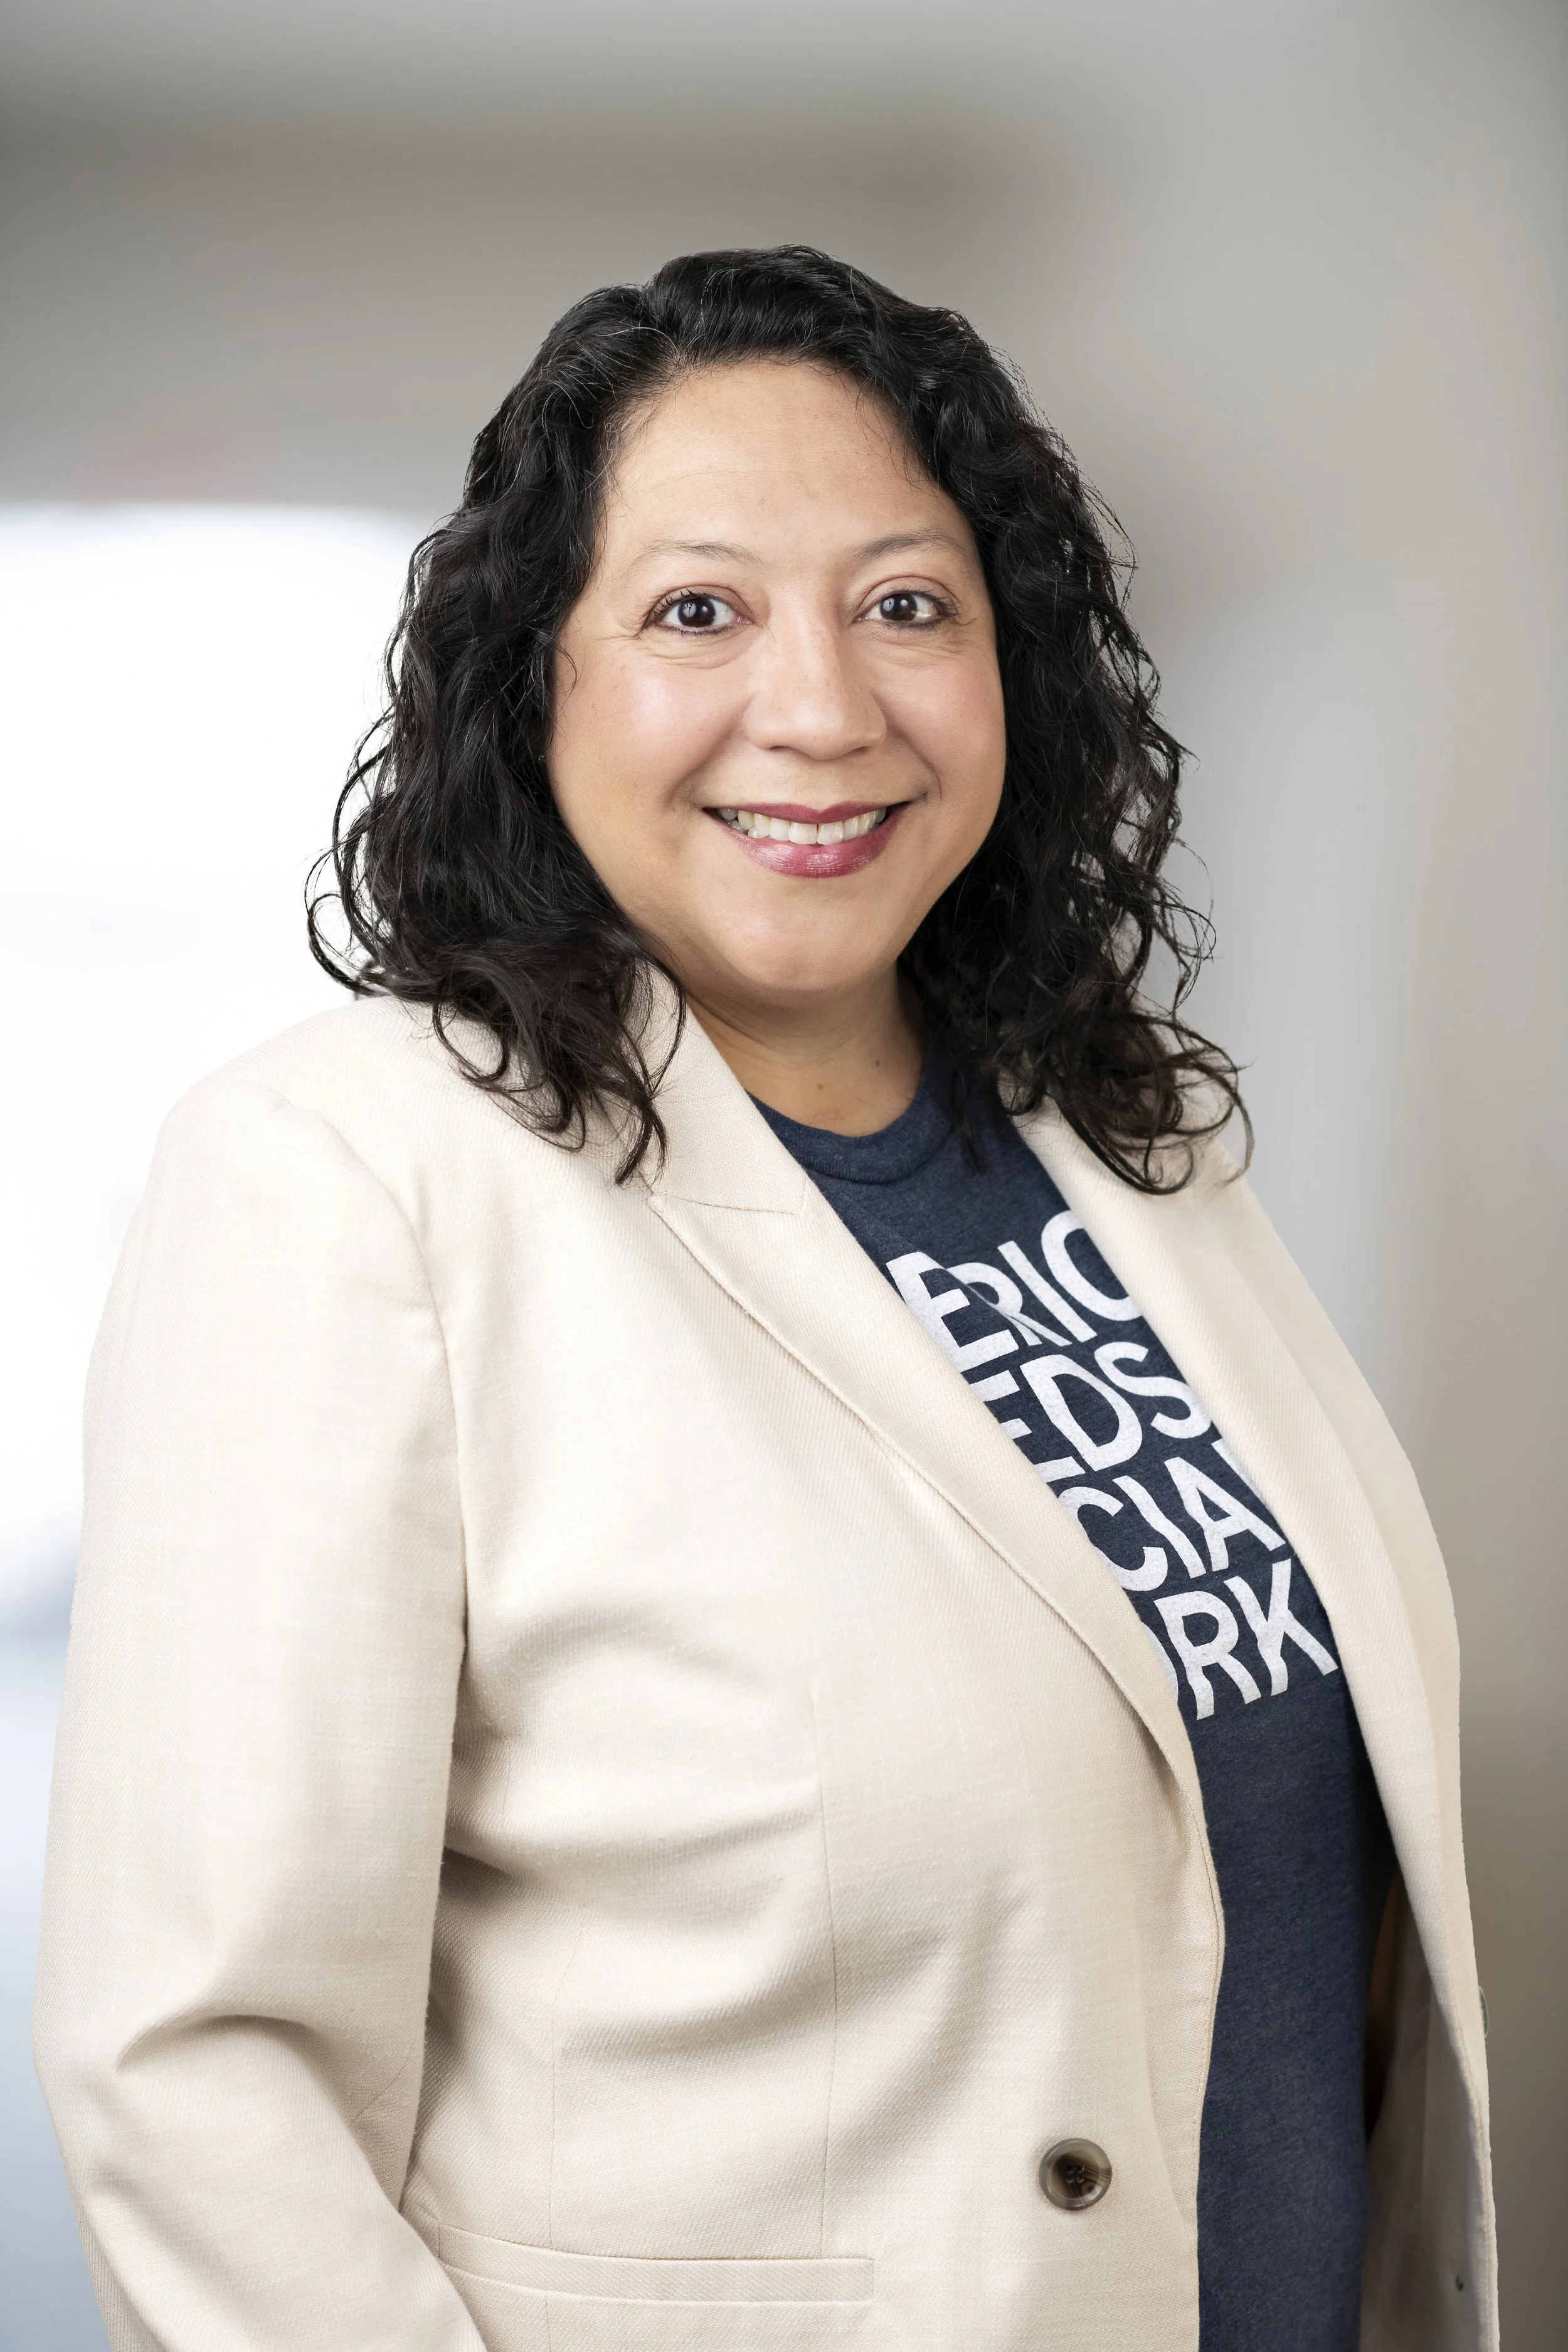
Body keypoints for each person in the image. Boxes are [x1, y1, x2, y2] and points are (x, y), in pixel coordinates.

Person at [35, 247, 1493, 2352]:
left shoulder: (1134, 1144)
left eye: (907, 604)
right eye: (695, 610)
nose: (820, 708)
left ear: (1020, 672)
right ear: (533, 679)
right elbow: (202, 2077)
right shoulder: (348, 1176)